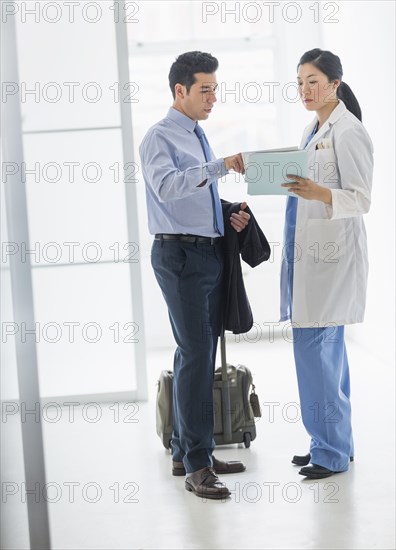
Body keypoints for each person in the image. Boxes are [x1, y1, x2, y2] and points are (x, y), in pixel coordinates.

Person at [139, 51, 250, 499]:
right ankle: (199, 466)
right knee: (194, 351)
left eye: (215, 89)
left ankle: (188, 451)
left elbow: (193, 198)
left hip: (204, 252)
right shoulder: (159, 137)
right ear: (179, 91)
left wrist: (226, 213)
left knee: (198, 354)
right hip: (179, 256)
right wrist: (220, 165)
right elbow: (166, 188)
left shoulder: (198, 135)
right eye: (205, 89)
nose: (213, 98)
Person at [280, 48, 373, 479]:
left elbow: (361, 198)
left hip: (330, 259)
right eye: (300, 82)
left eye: (313, 81)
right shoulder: (312, 127)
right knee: (327, 358)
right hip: (310, 255)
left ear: (335, 83)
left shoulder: (349, 131)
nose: (304, 89)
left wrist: (318, 193)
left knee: (317, 356)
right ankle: (333, 443)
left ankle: (330, 452)